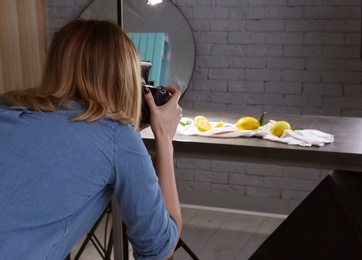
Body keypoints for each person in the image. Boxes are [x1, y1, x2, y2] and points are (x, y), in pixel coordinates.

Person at [0, 19, 182, 259]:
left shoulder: (7, 109)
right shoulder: (117, 136)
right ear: (126, 76)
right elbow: (160, 248)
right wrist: (164, 139)